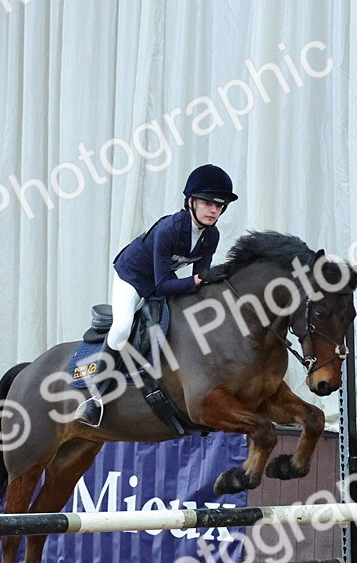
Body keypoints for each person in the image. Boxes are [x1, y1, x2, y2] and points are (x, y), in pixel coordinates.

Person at [75, 164, 239, 427]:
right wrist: (200, 279)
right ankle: (94, 399)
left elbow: (199, 278)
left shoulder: (211, 235)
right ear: (190, 202)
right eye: (208, 203)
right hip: (133, 276)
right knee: (122, 327)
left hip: (162, 277)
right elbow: (165, 285)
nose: (214, 210)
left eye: (219, 206)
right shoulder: (169, 230)